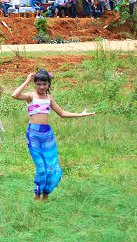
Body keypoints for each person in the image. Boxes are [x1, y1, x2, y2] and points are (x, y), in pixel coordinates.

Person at [11, 69, 95, 201]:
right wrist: (27, 80)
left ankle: (46, 195)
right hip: (33, 135)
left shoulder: (49, 98)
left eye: (45, 84)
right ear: (35, 84)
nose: (42, 87)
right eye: (38, 84)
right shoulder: (30, 96)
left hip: (47, 135)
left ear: (49, 84)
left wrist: (80, 114)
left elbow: (62, 113)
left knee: (51, 168)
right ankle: (37, 195)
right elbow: (14, 95)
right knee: (41, 169)